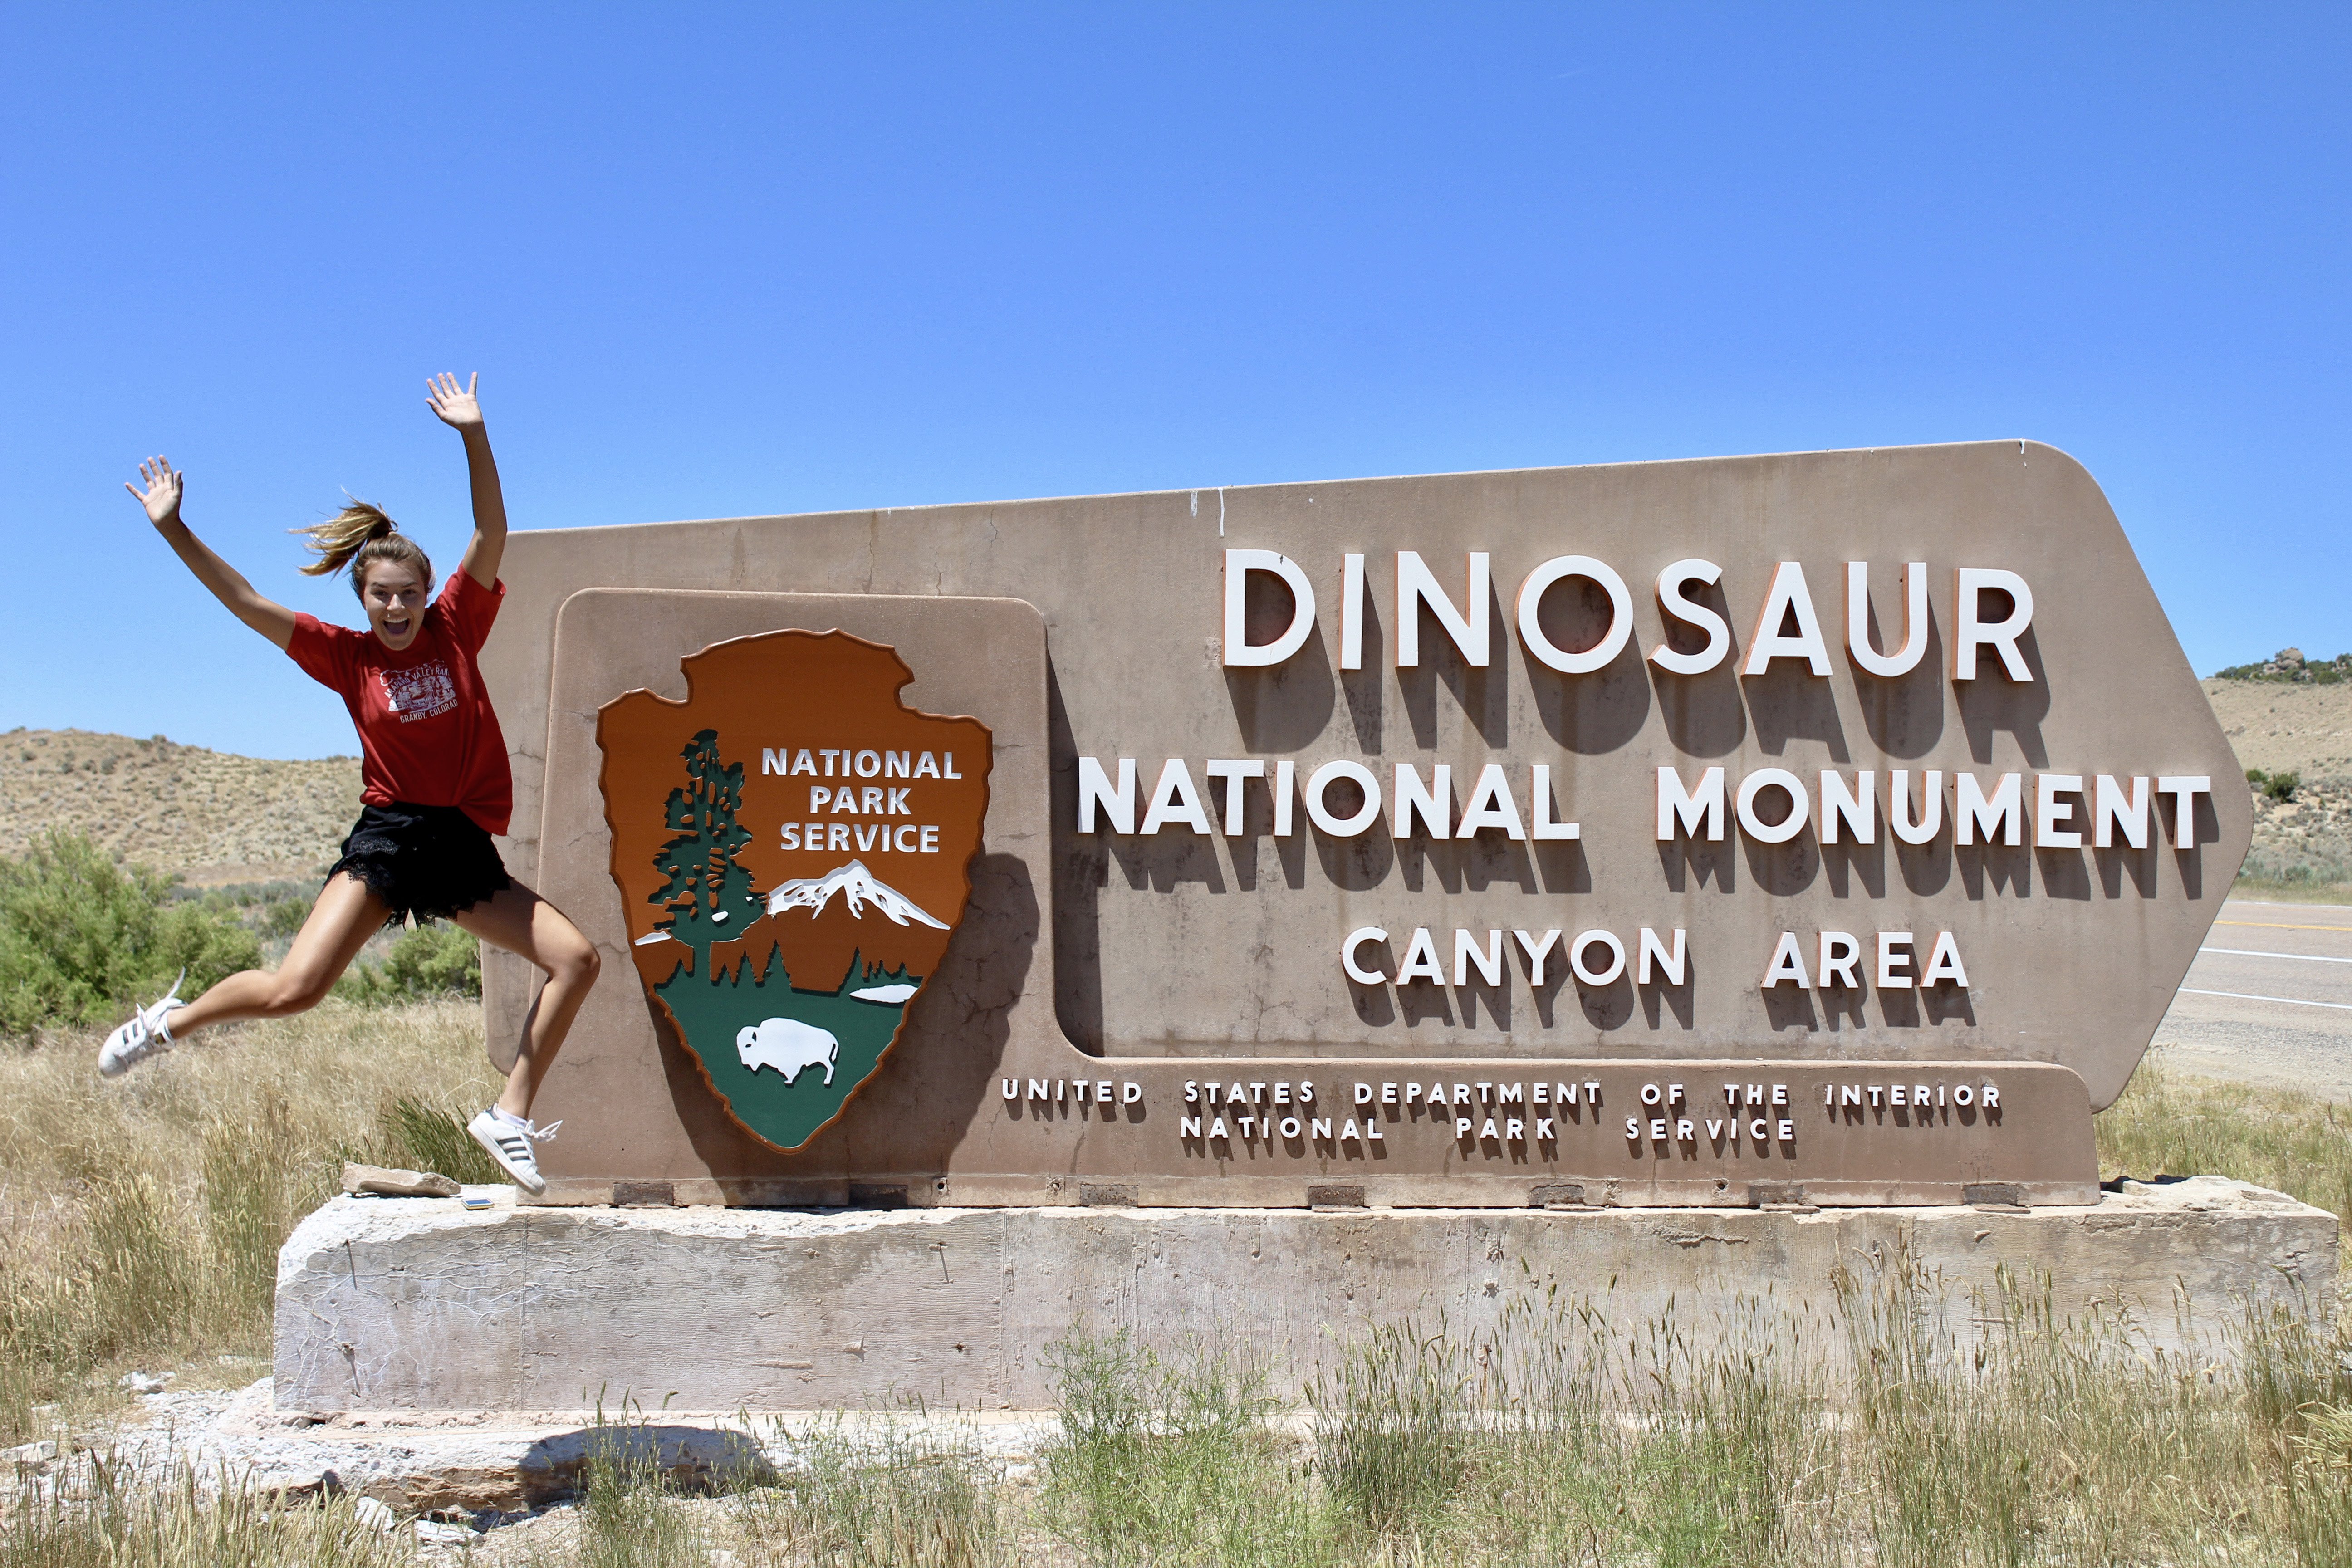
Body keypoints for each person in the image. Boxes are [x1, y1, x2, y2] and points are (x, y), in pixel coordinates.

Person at [103, 374, 598, 1195]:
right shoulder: (347, 655)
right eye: (382, 596)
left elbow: (492, 525)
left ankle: (508, 1113)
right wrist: (175, 529)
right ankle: (169, 1025)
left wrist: (474, 434)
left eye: (408, 593)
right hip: (391, 836)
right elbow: (244, 600)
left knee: (577, 960)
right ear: (362, 600)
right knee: (297, 989)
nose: (397, 607)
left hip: (458, 844)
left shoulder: (456, 623)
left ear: (425, 594)